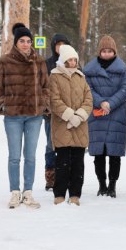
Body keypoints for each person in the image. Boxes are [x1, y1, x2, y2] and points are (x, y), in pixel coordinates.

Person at [0, 23, 49, 209]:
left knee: (31, 156)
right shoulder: (5, 61)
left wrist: (44, 104)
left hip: (34, 116)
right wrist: (3, 104)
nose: (26, 44)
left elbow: (45, 87)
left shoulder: (39, 61)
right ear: (16, 43)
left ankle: (28, 192)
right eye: (22, 41)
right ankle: (15, 192)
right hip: (14, 116)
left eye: (28, 41)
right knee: (14, 156)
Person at [83, 35, 126, 198]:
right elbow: (87, 89)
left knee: (114, 152)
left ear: (114, 52)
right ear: (99, 52)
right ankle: (101, 184)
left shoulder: (122, 70)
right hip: (97, 115)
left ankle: (112, 185)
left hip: (116, 113)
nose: (107, 53)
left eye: (110, 51)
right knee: (99, 153)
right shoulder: (89, 70)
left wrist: (110, 103)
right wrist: (100, 102)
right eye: (104, 51)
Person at [48, 44, 92, 205]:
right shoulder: (54, 76)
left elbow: (88, 99)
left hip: (80, 126)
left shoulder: (81, 77)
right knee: (62, 162)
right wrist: (69, 115)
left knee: (78, 164)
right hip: (62, 126)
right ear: (64, 60)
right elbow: (54, 99)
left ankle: (75, 194)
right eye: (70, 60)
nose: (73, 62)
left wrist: (79, 116)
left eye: (75, 59)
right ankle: (59, 194)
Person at [43, 33, 72, 191]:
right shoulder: (46, 64)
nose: (60, 47)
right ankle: (51, 176)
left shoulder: (73, 62)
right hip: (51, 115)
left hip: (69, 113)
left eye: (63, 44)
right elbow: (42, 88)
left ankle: (66, 175)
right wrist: (47, 108)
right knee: (51, 145)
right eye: (57, 44)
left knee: (68, 145)